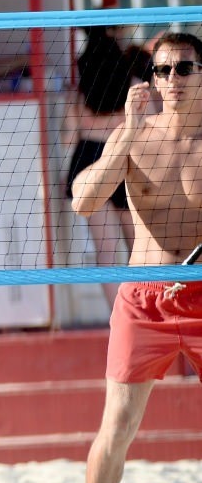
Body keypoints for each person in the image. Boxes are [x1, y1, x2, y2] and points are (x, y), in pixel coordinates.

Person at [72, 30, 202, 483]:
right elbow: (83, 201)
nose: (173, 79)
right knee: (118, 424)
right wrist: (121, 140)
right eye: (163, 70)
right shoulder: (135, 136)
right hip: (143, 299)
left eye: (185, 68)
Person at [67, 26, 138, 305]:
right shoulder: (133, 83)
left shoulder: (81, 88)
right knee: (139, 249)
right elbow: (148, 128)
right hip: (124, 159)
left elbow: (69, 137)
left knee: (106, 251)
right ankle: (144, 312)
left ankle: (116, 317)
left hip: (89, 160)